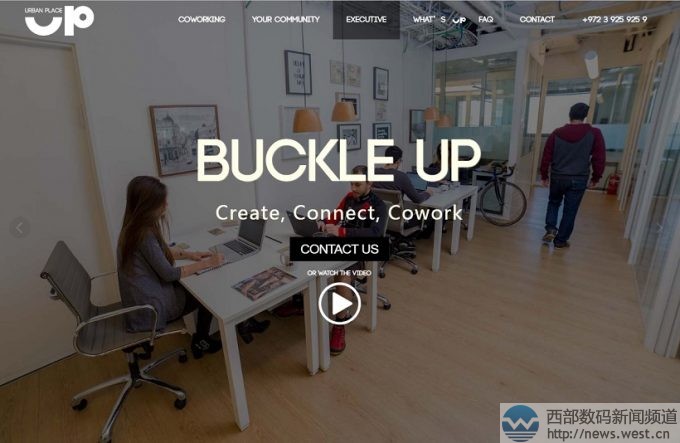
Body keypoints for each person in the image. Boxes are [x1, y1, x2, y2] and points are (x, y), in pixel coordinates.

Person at [117, 176, 269, 359]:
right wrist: (207, 263)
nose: (166, 204)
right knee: (209, 290)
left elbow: (159, 251)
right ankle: (205, 338)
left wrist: (190, 255)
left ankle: (242, 324)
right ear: (148, 206)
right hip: (152, 309)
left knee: (206, 280)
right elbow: (169, 274)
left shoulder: (132, 229)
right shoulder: (144, 234)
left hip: (143, 301)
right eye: (162, 201)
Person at [319, 165, 387, 355]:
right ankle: (301, 303)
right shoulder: (349, 198)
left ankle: (339, 324)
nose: (353, 188)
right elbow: (335, 216)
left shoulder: (379, 206)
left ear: (369, 183)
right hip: (343, 243)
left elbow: (375, 233)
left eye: (357, 184)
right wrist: (323, 222)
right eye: (351, 184)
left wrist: (341, 231)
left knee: (342, 276)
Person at [540, 103, 606, 248]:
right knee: (570, 210)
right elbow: (599, 158)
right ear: (585, 116)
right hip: (578, 178)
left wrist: (544, 175)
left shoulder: (556, 133)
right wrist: (596, 177)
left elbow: (546, 156)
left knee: (554, 202)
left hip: (558, 177)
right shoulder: (594, 133)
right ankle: (560, 240)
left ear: (570, 115)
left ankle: (551, 229)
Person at [373, 145, 435, 238]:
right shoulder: (401, 176)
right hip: (399, 221)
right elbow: (417, 199)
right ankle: (419, 237)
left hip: (380, 218)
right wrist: (428, 193)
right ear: (398, 161)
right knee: (429, 212)